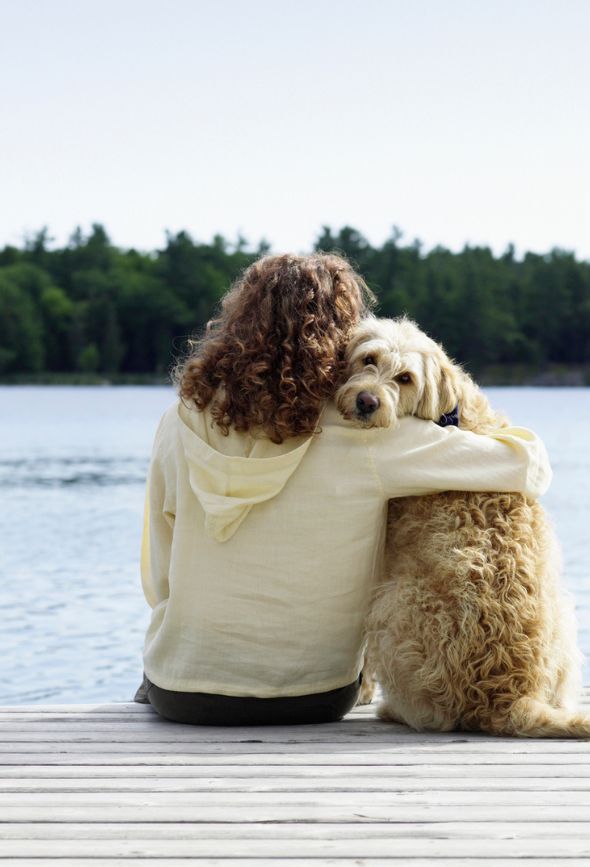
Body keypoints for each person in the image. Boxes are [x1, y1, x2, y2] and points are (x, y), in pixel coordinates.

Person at [137, 252, 551, 726]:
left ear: (236, 323)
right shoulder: (371, 437)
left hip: (181, 692)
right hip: (314, 696)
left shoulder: (178, 420)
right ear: (338, 340)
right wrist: (457, 405)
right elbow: (529, 467)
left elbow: (157, 575)